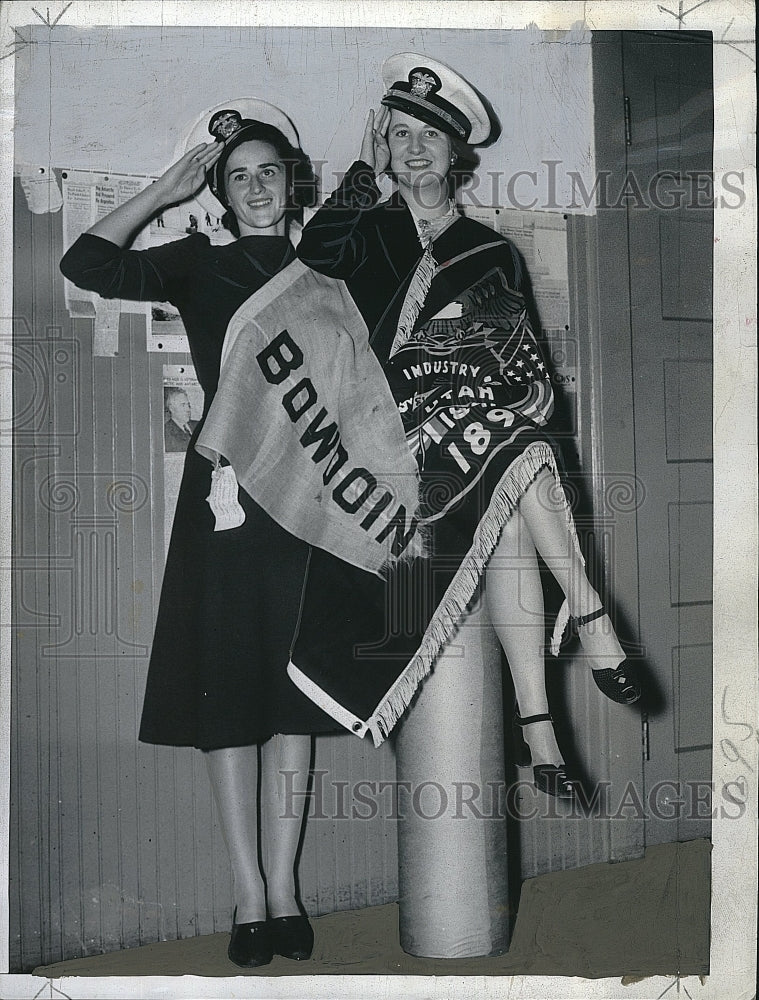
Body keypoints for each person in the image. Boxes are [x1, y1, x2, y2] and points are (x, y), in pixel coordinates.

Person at [296, 54, 641, 799]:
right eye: (397, 133)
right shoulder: (362, 230)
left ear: (458, 154)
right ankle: (586, 619)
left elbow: (515, 369)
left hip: (475, 441)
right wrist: (358, 176)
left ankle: (540, 731)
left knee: (512, 467)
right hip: (377, 440)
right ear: (381, 147)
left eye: (430, 135)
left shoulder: (491, 249)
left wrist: (477, 404)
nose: (413, 147)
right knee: (511, 453)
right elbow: (310, 258)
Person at [60, 100, 339, 968]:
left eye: (269, 172)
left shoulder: (330, 266)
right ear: (218, 191)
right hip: (226, 503)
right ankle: (247, 892)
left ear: (293, 186)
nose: (256, 188)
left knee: (295, 697)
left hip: (310, 502)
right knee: (227, 694)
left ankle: (286, 889)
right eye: (237, 175)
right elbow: (87, 262)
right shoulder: (199, 266)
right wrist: (162, 188)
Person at [163, 387, 198, 451]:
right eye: (183, 405)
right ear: (171, 408)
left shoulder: (198, 425)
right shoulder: (165, 432)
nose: (188, 409)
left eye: (188, 405)